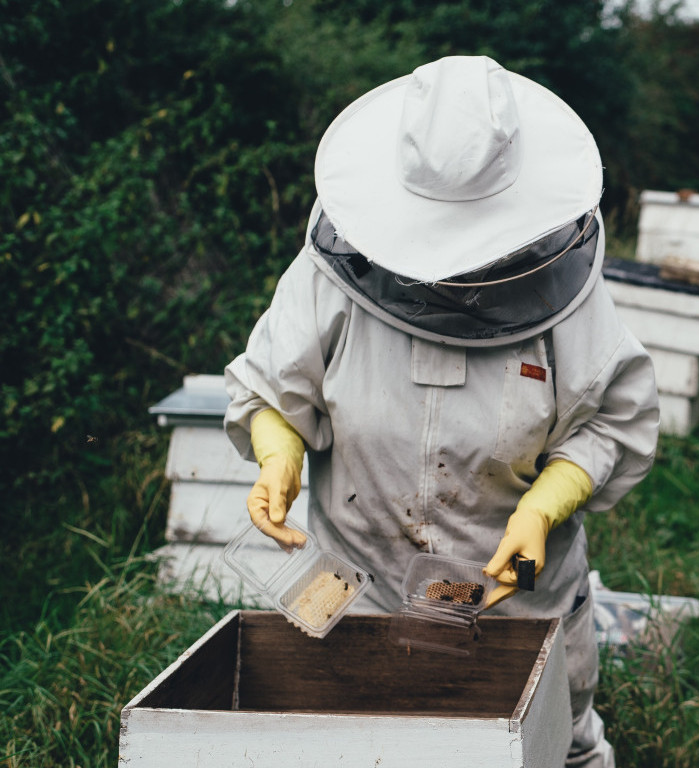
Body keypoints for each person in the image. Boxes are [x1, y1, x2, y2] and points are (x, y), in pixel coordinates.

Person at [223, 55, 659, 768]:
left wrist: (543, 507)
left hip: (513, 601)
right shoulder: (329, 280)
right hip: (353, 588)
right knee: (353, 746)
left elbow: (609, 420)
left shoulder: (567, 300)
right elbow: (272, 386)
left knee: (552, 748)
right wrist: (279, 455)